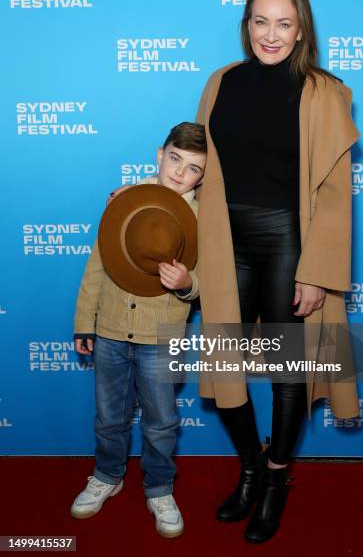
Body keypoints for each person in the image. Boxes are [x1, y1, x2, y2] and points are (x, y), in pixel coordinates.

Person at [195, 0, 360, 544]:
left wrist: (315, 270)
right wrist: (146, 196)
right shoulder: (221, 82)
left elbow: (336, 194)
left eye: (283, 23)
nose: (271, 34)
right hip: (223, 240)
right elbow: (194, 166)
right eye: (260, 21)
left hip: (289, 240)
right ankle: (248, 467)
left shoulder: (324, 92)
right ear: (246, 25)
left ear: (300, 30)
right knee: (224, 359)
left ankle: (275, 478)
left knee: (291, 370)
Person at [70, 122, 207, 539]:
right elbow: (96, 266)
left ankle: (160, 487)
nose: (180, 174)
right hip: (110, 329)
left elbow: (207, 278)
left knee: (161, 421)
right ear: (159, 154)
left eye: (194, 169)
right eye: (175, 160)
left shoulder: (203, 220)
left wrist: (187, 284)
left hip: (162, 336)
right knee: (109, 417)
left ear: (205, 176)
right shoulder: (124, 201)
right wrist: (83, 322)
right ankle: (107, 475)